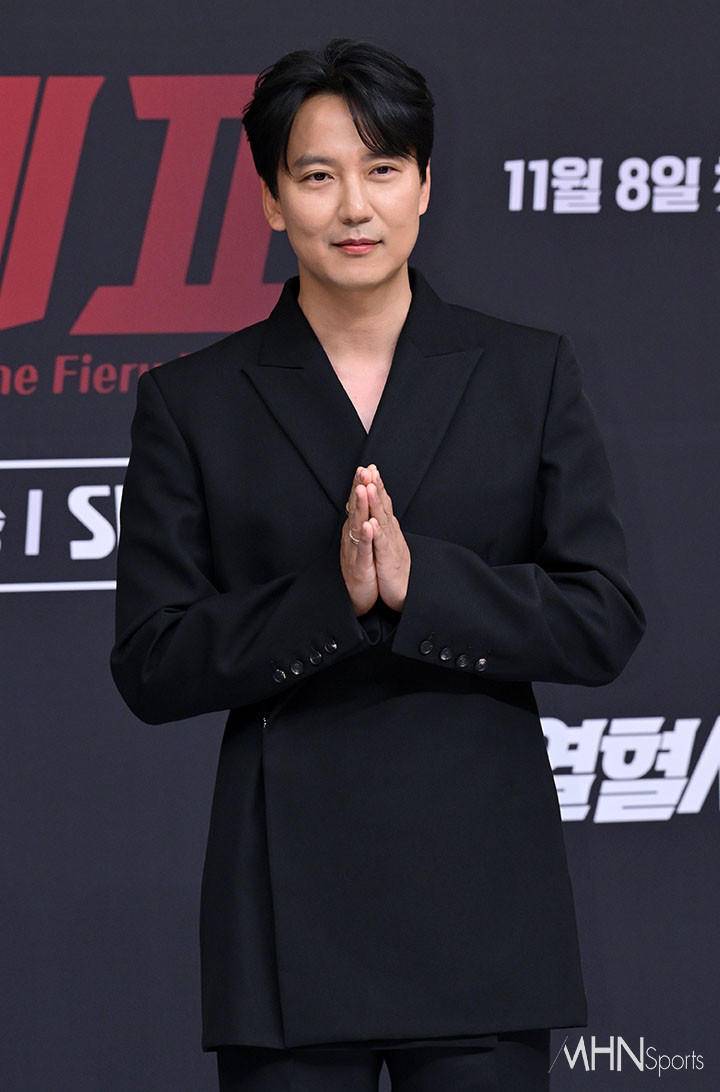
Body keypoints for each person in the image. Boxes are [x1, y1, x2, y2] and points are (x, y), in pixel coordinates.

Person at [110, 37, 645, 1092]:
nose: (354, 206)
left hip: (483, 907)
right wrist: (334, 598)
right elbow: (152, 662)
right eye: (318, 175)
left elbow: (603, 620)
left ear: (426, 184)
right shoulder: (194, 400)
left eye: (384, 168)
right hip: (286, 927)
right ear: (272, 201)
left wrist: (419, 585)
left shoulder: (525, 371)